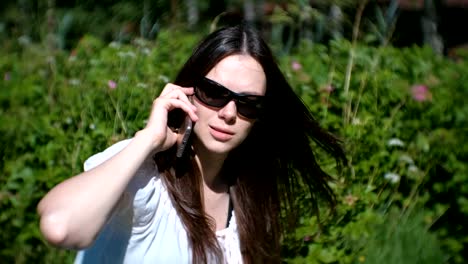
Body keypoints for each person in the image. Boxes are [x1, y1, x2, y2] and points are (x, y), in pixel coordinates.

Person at [37, 23, 347, 264]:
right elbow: (59, 226)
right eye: (214, 93)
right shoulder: (146, 174)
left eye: (248, 104)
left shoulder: (245, 196)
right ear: (187, 91)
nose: (228, 114)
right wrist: (148, 139)